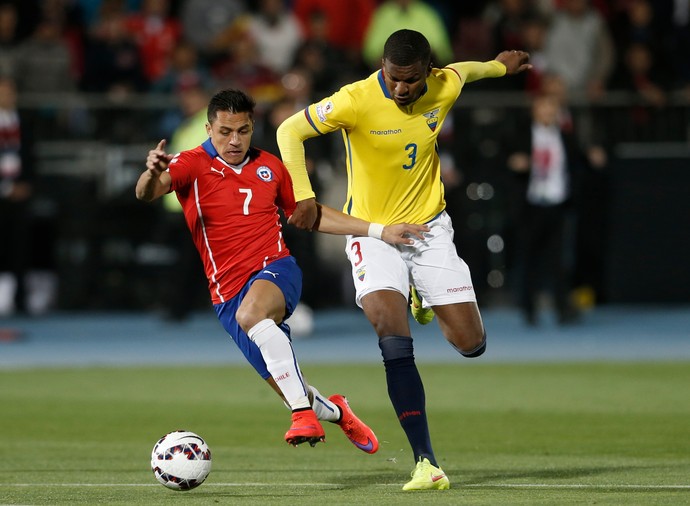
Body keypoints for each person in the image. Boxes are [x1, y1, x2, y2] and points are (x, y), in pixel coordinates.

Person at [276, 29, 531, 490]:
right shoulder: (354, 100)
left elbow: (466, 72)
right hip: (371, 233)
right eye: (392, 78)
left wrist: (499, 66)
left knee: (472, 345)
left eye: (409, 80)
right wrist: (305, 194)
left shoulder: (443, 85)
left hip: (430, 230)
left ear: (427, 72)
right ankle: (426, 461)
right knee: (390, 332)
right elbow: (288, 130)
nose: (399, 88)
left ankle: (421, 293)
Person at [135, 88, 428, 451]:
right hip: (227, 297)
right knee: (289, 384)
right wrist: (151, 174)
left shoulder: (270, 166)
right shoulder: (190, 164)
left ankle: (303, 415)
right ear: (209, 129)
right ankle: (336, 411)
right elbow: (146, 193)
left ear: (252, 127)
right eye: (225, 131)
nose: (234, 140)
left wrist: (380, 230)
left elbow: (312, 214)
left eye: (242, 131)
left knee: (254, 315)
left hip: (277, 269)